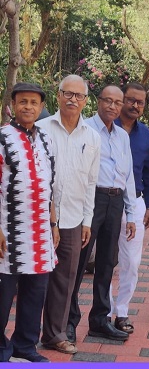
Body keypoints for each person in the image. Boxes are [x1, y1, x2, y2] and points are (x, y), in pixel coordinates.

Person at [67, 85, 137, 342]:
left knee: (107, 262)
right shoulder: (84, 129)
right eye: (108, 101)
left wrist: (130, 213)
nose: (112, 106)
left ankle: (99, 320)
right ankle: (68, 322)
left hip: (115, 201)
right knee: (79, 261)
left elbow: (128, 176)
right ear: (97, 101)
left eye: (117, 103)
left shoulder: (122, 136)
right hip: (91, 199)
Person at [39, 75, 101, 355]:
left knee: (65, 280)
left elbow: (91, 182)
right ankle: (22, 336)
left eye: (79, 95)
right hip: (39, 218)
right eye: (68, 93)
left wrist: (87, 220)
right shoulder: (41, 130)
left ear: (86, 101)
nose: (73, 99)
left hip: (74, 219)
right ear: (58, 95)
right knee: (32, 279)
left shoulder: (92, 137)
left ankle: (54, 334)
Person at [0, 83, 57, 363]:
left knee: (35, 292)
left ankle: (25, 345)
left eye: (34, 103)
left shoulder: (45, 139)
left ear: (41, 107)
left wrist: (53, 224)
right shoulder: (2, 137)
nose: (28, 107)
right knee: (3, 293)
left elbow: (51, 184)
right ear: (13, 105)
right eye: (23, 101)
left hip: (39, 230)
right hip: (8, 228)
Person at [108, 82, 149, 333]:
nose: (135, 105)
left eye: (140, 102)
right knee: (106, 259)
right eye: (131, 100)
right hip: (107, 201)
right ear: (121, 100)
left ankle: (122, 311)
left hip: (135, 203)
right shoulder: (106, 127)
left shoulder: (145, 134)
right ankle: (105, 310)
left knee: (132, 261)